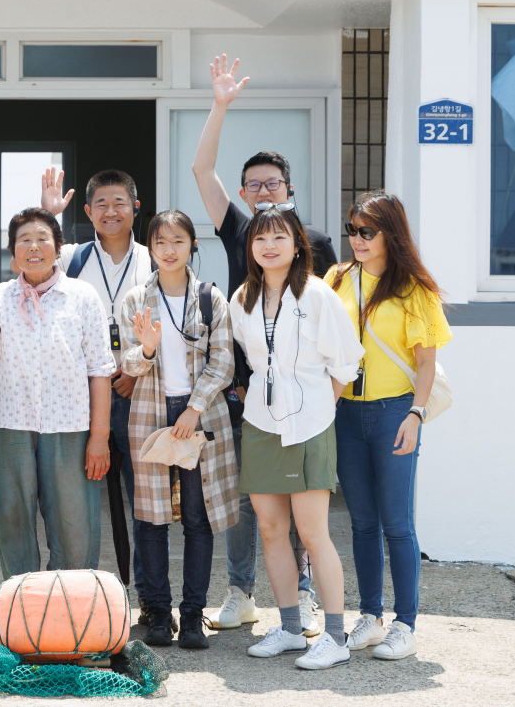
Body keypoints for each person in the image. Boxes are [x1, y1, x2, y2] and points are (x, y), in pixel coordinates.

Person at [192, 54, 338, 634]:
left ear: (289, 188)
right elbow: (204, 170)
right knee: (249, 497)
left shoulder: (318, 243)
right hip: (241, 385)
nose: (259, 192)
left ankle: (301, 596)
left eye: (270, 184)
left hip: (304, 396)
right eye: (251, 185)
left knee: (302, 502)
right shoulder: (238, 229)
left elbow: (332, 330)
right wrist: (219, 105)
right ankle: (241, 590)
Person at [229, 208, 363, 671]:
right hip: (261, 423)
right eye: (260, 237)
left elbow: (347, 362)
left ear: (297, 243)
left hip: (309, 426)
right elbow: (251, 359)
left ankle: (335, 635)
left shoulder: (317, 293)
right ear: (251, 247)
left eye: (279, 237)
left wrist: (318, 408)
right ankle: (288, 628)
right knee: (269, 528)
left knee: (312, 532)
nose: (269, 245)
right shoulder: (242, 297)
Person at [327, 190, 451, 661]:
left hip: (395, 412)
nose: (357, 239)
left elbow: (425, 364)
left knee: (397, 523)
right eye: (352, 230)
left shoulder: (414, 289)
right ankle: (371, 616)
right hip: (347, 413)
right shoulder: (337, 278)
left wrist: (416, 416)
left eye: (366, 231)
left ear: (389, 234)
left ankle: (405, 623)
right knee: (361, 522)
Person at [0, 208, 115, 578]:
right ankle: (22, 609)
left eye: (42, 238)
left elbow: (100, 369)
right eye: (23, 240)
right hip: (15, 424)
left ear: (58, 247)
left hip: (71, 426)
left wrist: (100, 436)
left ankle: (72, 607)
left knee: (76, 523)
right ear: (13, 254)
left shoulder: (82, 296)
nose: (34, 246)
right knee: (15, 519)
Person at [120, 210, 238, 651]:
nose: (169, 250)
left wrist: (193, 408)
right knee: (150, 518)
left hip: (200, 416)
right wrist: (147, 347)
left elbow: (223, 361)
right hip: (150, 413)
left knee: (196, 517)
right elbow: (127, 365)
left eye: (178, 241)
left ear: (192, 246)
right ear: (150, 248)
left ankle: (191, 616)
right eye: (161, 242)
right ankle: (157, 613)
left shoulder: (210, 297)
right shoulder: (136, 299)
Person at [40, 168, 152, 606]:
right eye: (101, 204)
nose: (111, 211)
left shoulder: (153, 256)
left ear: (135, 208)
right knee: (76, 503)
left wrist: (132, 369)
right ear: (87, 211)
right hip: (81, 397)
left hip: (139, 391)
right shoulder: (70, 257)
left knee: (144, 503)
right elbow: (33, 265)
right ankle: (81, 596)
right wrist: (50, 214)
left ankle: (147, 595)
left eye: (120, 202)